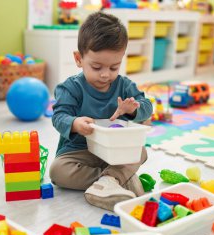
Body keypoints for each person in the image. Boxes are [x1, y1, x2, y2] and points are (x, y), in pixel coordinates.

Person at [49, 11, 153, 211]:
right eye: (97, 67)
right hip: (79, 152)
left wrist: (134, 110)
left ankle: (111, 181)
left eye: (114, 67)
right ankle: (115, 180)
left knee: (140, 151)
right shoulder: (70, 88)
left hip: (115, 150)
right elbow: (59, 116)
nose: (106, 75)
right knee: (57, 171)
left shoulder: (124, 86)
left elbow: (147, 107)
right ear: (79, 59)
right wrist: (75, 123)